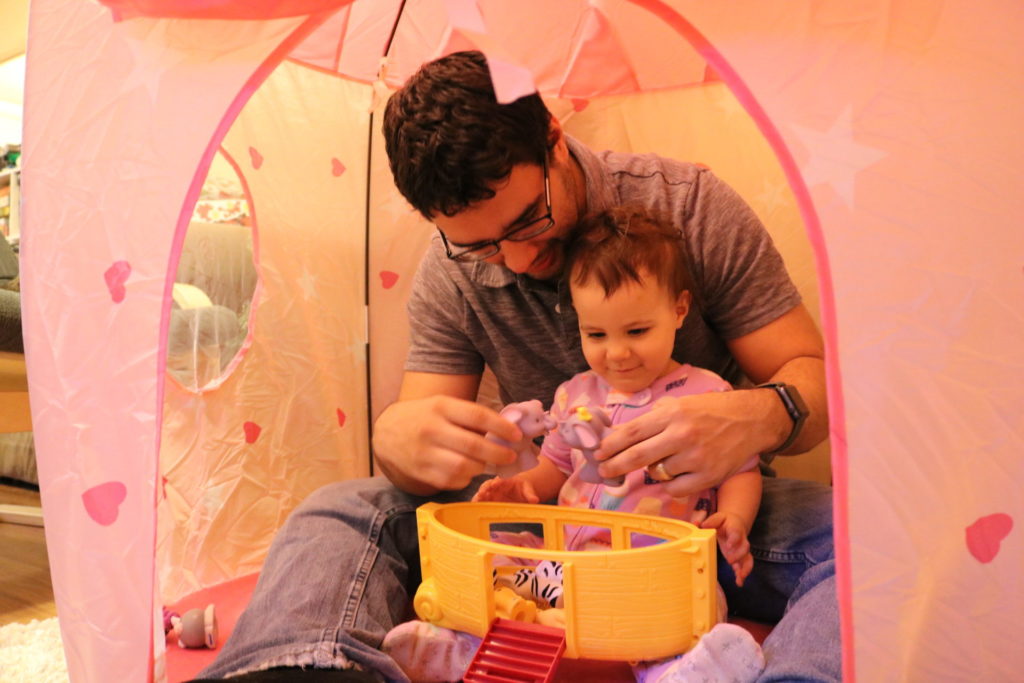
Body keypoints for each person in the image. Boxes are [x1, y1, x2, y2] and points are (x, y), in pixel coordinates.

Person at [194, 50, 837, 682]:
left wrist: (761, 415)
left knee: (863, 537)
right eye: (479, 245)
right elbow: (423, 454)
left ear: (554, 140)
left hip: (696, 522)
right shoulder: (448, 275)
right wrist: (397, 437)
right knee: (341, 510)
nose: (519, 258)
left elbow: (815, 382)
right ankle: (301, 669)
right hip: (550, 521)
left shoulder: (689, 207)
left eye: (532, 220)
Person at [379, 206, 767, 683]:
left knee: (692, 604)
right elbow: (553, 470)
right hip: (561, 568)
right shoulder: (575, 395)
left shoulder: (706, 396)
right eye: (596, 334)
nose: (617, 352)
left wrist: (735, 519)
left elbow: (742, 469)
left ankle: (684, 670)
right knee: (496, 558)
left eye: (637, 331)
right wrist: (521, 488)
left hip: (646, 571)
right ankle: (462, 645)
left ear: (679, 309)